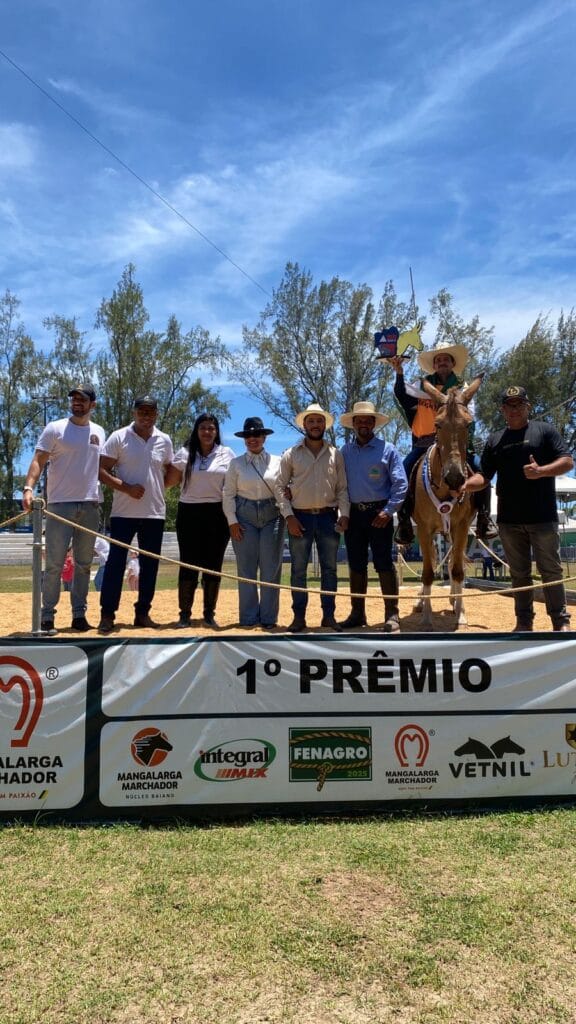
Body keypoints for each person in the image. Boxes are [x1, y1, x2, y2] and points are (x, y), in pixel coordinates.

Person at [464, 386, 573, 632]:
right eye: (509, 405)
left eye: (519, 404)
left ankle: (560, 621)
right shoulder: (494, 439)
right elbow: (484, 476)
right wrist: (464, 486)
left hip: (542, 517)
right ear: (502, 409)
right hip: (508, 519)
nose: (514, 409)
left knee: (551, 570)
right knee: (519, 574)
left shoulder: (544, 431)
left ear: (528, 406)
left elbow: (567, 461)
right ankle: (524, 622)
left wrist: (542, 471)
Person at [391, 342, 495, 543]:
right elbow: (402, 395)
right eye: (438, 360)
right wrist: (399, 373)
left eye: (446, 359)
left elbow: (469, 417)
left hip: (455, 444)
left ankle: (484, 517)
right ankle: (404, 522)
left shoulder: (463, 390)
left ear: (452, 363)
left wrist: (464, 443)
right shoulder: (421, 387)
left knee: (481, 471)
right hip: (423, 443)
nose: (442, 363)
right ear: (434, 365)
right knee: (403, 474)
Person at [22, 384, 105, 634]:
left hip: (90, 505)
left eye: (83, 399)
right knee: (55, 564)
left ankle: (79, 615)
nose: (77, 403)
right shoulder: (55, 429)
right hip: (59, 505)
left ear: (93, 404)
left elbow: (102, 467)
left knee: (83, 564)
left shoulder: (99, 432)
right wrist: (28, 488)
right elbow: (38, 459)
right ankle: (47, 616)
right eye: (74, 399)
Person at [97, 396, 174, 634]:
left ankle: (143, 613)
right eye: (142, 411)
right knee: (115, 564)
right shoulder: (119, 437)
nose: (146, 416)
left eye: (150, 412)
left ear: (157, 415)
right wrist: (125, 487)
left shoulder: (164, 440)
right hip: (123, 513)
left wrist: (159, 489)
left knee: (150, 566)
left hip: (154, 513)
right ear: (134, 413)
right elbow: (100, 470)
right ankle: (107, 615)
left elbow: (170, 469)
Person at [277, 402, 350, 633]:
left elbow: (342, 489)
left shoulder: (335, 454)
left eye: (319, 421)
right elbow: (279, 487)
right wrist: (288, 516)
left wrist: (344, 514)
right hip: (300, 518)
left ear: (325, 425)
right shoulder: (290, 454)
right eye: (311, 421)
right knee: (298, 570)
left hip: (329, 518)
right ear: (304, 425)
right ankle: (299, 618)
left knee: (330, 569)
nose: (315, 425)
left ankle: (329, 616)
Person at [339, 401, 408, 632]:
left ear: (374, 423)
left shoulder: (388, 449)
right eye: (359, 420)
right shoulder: (344, 452)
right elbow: (337, 483)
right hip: (354, 515)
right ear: (353, 424)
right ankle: (357, 613)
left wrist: (388, 511)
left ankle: (392, 614)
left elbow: (400, 484)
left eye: (368, 420)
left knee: (383, 563)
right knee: (356, 564)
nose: (364, 424)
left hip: (380, 514)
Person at [166, 413, 235, 628]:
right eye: (203, 428)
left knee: (213, 565)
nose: (207, 432)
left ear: (216, 432)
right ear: (197, 430)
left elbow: (232, 486)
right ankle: (184, 614)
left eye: (211, 428)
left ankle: (209, 614)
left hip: (217, 513)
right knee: (188, 563)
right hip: (189, 513)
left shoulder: (226, 453)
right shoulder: (185, 453)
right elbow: (168, 481)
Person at [223, 416, 286, 629]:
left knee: (271, 568)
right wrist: (232, 521)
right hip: (244, 516)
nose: (253, 439)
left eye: (256, 434)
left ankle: (268, 618)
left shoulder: (279, 462)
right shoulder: (236, 464)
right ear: (244, 439)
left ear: (264, 437)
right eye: (248, 435)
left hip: (272, 516)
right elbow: (228, 494)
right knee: (246, 569)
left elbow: (285, 492)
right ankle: (249, 618)